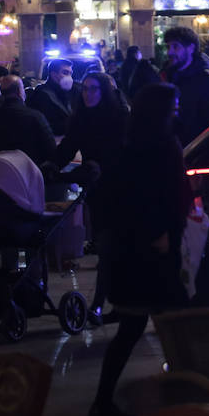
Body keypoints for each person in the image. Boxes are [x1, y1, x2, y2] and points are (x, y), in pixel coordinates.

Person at [89, 83, 191, 416]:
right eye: (173, 105)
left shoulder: (132, 144)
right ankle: (180, 394)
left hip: (134, 249)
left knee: (137, 325)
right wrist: (161, 232)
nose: (177, 110)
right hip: (152, 249)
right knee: (171, 321)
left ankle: (107, 400)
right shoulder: (159, 146)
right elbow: (157, 194)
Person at [56, 72, 130, 324]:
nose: (88, 94)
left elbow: (121, 153)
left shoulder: (119, 118)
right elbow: (68, 147)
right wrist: (49, 165)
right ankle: (120, 304)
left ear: (105, 91)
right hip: (97, 191)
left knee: (109, 249)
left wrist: (97, 166)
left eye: (94, 89)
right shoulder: (81, 118)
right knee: (109, 250)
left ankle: (99, 304)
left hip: (120, 190)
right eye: (85, 89)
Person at [162, 25, 209, 145]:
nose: (170, 52)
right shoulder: (168, 78)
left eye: (175, 46)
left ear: (191, 48)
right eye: (168, 47)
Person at [0, 75, 56, 167]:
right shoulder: (36, 117)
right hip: (31, 173)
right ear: (20, 92)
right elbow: (51, 150)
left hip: (1, 173)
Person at [27, 58, 73, 137]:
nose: (69, 77)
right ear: (53, 74)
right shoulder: (41, 95)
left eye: (70, 73)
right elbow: (45, 124)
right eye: (65, 72)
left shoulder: (70, 92)